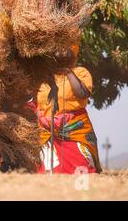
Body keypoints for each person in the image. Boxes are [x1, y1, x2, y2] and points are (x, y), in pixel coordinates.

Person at [36, 44, 102, 174]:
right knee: (48, 173)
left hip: (75, 132)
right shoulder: (42, 78)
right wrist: (41, 118)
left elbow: (83, 93)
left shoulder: (80, 72)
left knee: (81, 172)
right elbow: (34, 102)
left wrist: (67, 70)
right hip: (46, 135)